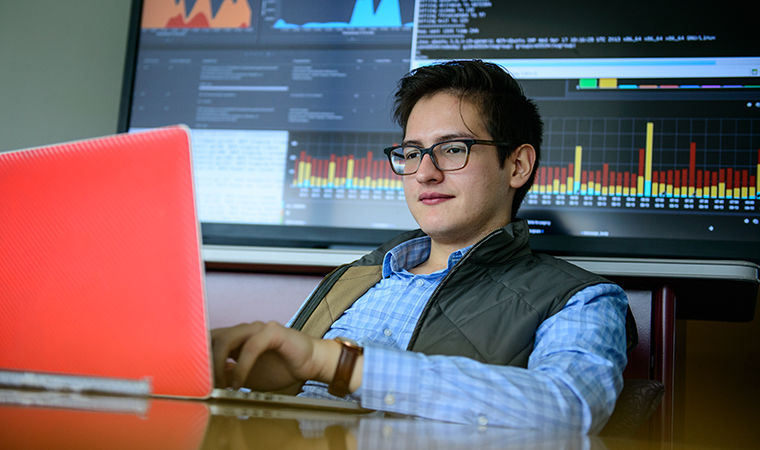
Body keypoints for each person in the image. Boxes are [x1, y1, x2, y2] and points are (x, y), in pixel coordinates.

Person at [211, 59, 634, 433]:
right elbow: (296, 388)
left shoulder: (581, 300)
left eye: (452, 149)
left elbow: (571, 410)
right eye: (412, 153)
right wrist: (267, 377)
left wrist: (339, 365)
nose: (425, 173)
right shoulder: (354, 277)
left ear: (517, 165)